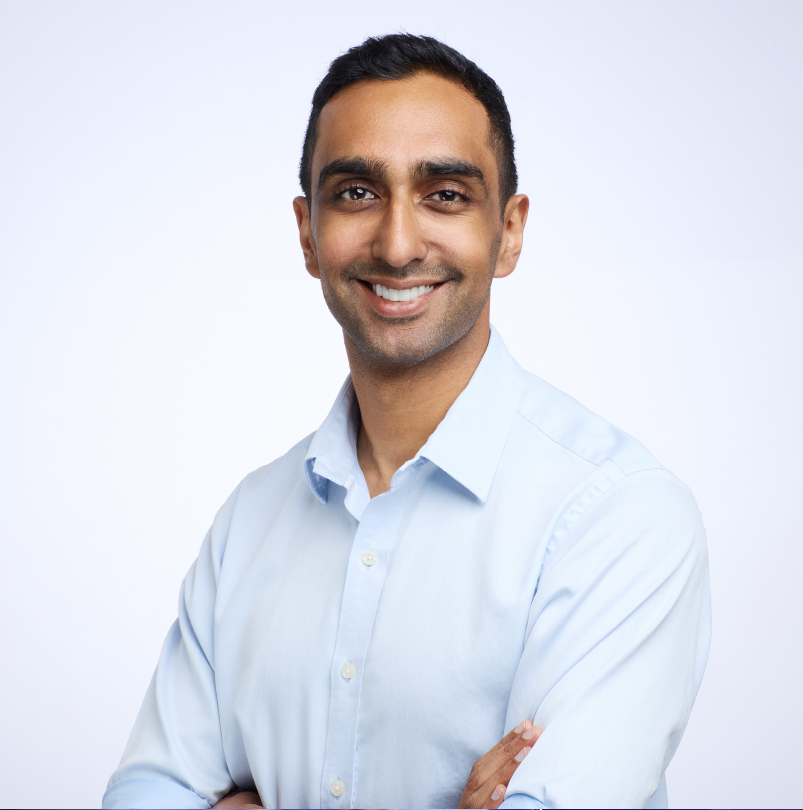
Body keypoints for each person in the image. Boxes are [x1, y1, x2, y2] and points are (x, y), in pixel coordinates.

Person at [103, 34, 711, 810]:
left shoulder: (620, 517)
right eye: (357, 192)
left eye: (445, 195)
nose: (396, 244)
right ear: (307, 234)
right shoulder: (249, 522)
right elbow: (145, 791)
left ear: (510, 231)